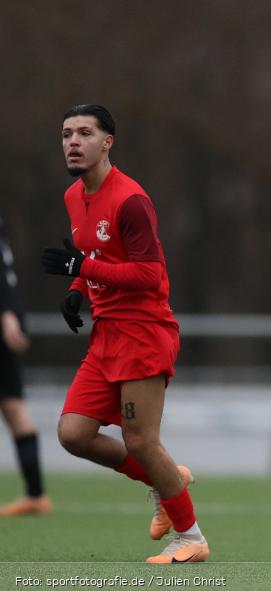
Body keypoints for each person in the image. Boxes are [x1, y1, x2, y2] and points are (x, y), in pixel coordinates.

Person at [41, 104, 208, 563]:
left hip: (143, 331)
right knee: (73, 433)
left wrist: (82, 268)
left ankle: (191, 537)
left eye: (84, 133)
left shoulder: (131, 199)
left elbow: (149, 275)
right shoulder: (73, 196)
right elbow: (93, 251)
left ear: (107, 142)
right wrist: (78, 288)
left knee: (140, 440)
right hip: (107, 332)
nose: (73, 142)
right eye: (66, 133)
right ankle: (167, 477)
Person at [0, 216, 51, 516]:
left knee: (14, 407)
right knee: (13, 406)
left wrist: (6, 314)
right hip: (8, 315)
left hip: (3, 317)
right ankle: (35, 493)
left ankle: (36, 494)